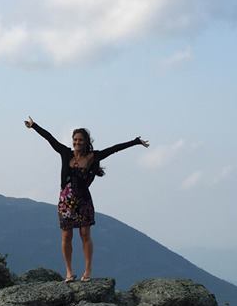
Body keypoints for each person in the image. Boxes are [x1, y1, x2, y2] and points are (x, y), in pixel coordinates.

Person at [25, 116, 149, 282]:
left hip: (83, 199)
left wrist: (135, 142)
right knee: (66, 236)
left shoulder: (93, 157)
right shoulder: (65, 152)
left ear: (86, 142)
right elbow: (50, 139)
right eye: (75, 139)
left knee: (85, 234)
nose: (77, 142)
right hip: (66, 201)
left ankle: (87, 271)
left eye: (80, 140)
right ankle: (69, 272)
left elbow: (114, 149)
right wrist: (34, 126)